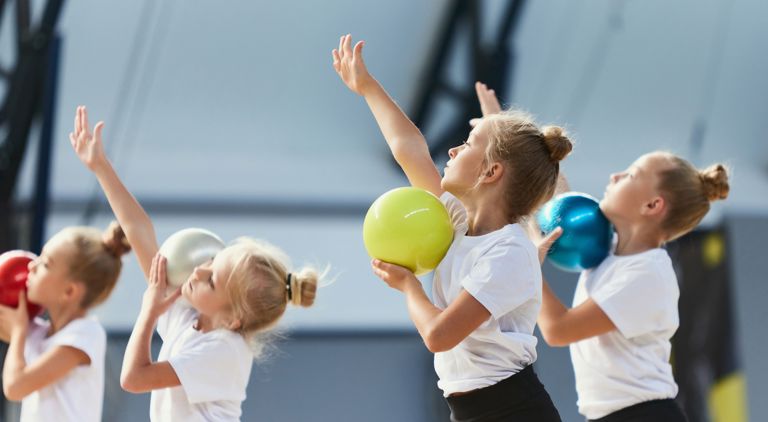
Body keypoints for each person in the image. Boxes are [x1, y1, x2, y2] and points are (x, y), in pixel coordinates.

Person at [333, 34, 567, 421]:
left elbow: (439, 335)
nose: (454, 149)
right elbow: (410, 149)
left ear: (492, 172)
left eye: (469, 142)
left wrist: (408, 286)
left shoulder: (508, 251)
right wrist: (368, 88)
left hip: (513, 410)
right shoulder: (457, 222)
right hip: (471, 409)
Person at [69, 106, 321, 421]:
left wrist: (149, 312)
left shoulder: (225, 351)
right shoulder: (191, 316)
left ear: (233, 319)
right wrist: (101, 167)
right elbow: (141, 234)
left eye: (212, 280)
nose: (198, 270)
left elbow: (134, 379)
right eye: (211, 263)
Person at [536, 151, 729, 421]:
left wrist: (528, 268)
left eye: (631, 174)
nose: (615, 176)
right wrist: (506, 131)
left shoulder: (647, 275)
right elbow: (556, 203)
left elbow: (558, 330)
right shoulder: (610, 250)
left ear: (652, 205)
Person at [0, 222, 130, 422]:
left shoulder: (85, 334)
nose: (31, 265)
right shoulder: (38, 332)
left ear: (69, 291)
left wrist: (18, 331)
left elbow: (15, 387)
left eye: (45, 263)